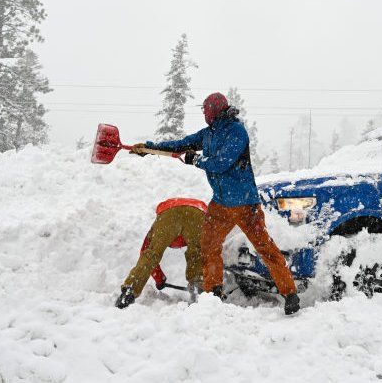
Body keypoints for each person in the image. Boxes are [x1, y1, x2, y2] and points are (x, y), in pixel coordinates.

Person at [132, 92, 300, 315]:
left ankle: (290, 293)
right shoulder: (209, 133)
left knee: (264, 247)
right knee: (208, 245)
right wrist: (150, 147)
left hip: (244, 203)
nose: (203, 113)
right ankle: (214, 293)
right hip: (220, 203)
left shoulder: (236, 132)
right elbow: (182, 144)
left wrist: (197, 160)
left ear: (215, 109)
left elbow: (222, 162)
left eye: (205, 109)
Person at [115, 198, 207, 309]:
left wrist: (159, 279)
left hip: (168, 213)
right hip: (197, 212)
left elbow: (145, 251)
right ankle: (199, 289)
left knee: (151, 254)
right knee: (197, 253)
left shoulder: (160, 222)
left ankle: (129, 292)